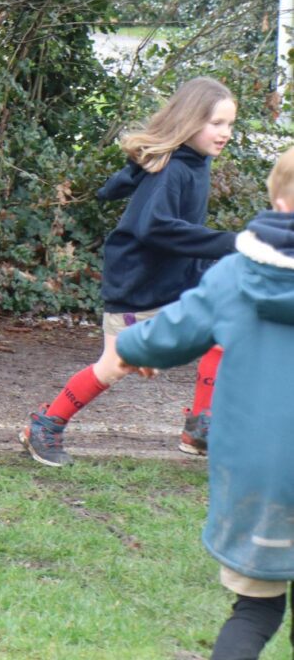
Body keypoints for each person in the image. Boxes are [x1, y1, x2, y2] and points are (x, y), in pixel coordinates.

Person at [116, 146, 294, 660]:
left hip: (258, 478)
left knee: (256, 610)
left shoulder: (236, 274)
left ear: (280, 205)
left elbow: (172, 332)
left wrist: (130, 347)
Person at [20, 76, 237, 466]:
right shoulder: (172, 171)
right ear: (190, 121)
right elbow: (155, 228)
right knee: (114, 366)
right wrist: (232, 243)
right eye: (216, 123)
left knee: (227, 328)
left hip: (176, 283)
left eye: (230, 124)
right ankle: (46, 425)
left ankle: (200, 427)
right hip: (139, 288)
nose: (226, 133)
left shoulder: (196, 160)